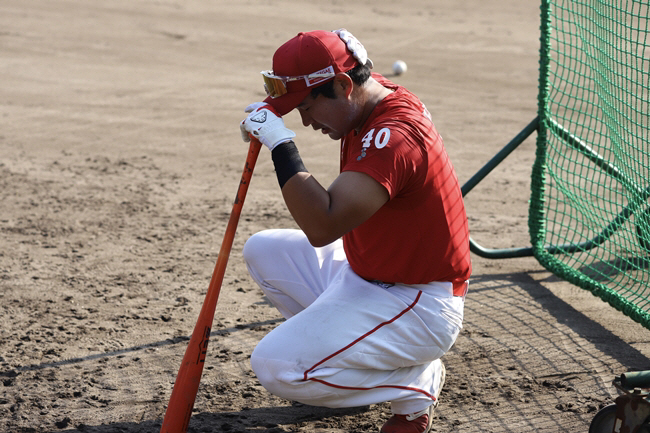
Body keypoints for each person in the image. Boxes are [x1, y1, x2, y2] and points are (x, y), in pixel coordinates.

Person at [239, 29, 471, 433]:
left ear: (345, 85)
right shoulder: (371, 95)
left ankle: (414, 382)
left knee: (277, 368)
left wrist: (279, 141)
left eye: (307, 107)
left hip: (417, 303)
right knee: (263, 250)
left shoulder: (394, 137)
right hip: (365, 271)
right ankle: (347, 366)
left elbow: (322, 224)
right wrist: (280, 112)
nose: (305, 121)